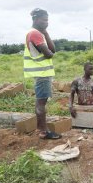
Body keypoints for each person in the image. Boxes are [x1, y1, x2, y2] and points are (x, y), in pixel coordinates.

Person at [24, 8, 61, 139]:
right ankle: (44, 132)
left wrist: (45, 32)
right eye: (44, 20)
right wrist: (44, 34)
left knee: (40, 102)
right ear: (35, 19)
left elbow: (53, 50)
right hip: (42, 73)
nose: (46, 22)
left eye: (47, 20)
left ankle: (41, 129)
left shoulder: (38, 33)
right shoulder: (34, 34)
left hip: (42, 73)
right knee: (41, 103)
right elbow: (49, 53)